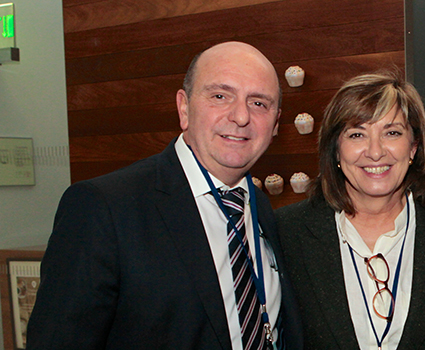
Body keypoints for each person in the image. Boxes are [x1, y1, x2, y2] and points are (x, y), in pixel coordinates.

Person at [27, 42, 303, 350]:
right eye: (220, 96)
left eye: (259, 103)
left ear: (276, 124)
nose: (240, 116)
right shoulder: (103, 207)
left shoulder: (259, 207)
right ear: (184, 108)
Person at [275, 71, 425, 349]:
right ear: (336, 150)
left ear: (414, 147)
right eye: (357, 134)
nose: (375, 151)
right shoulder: (287, 232)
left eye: (392, 132)